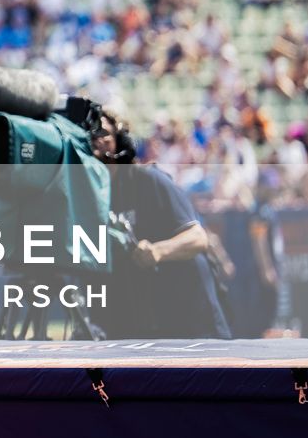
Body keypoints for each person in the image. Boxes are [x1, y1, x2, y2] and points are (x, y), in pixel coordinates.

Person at [87, 107, 233, 340]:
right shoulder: (89, 196)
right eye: (89, 134)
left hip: (192, 312)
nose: (96, 140)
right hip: (149, 316)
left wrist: (158, 250)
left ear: (120, 141)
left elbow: (197, 237)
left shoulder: (147, 179)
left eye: (104, 133)